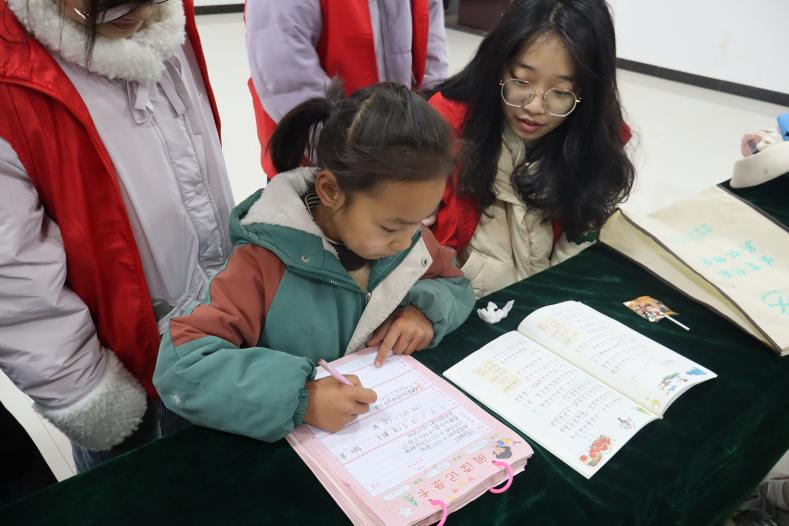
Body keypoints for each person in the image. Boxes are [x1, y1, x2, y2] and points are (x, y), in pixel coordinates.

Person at [154, 82, 475, 439]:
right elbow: (181, 365)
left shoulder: (408, 238)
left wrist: (426, 311)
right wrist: (300, 398)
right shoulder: (263, 263)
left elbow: (455, 284)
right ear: (330, 190)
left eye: (421, 220)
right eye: (391, 226)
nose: (407, 240)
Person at [0, 0, 234, 471]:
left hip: (225, 331)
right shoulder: (14, 77)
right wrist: (86, 391)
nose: (140, 12)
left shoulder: (170, 19)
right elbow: (13, 277)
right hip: (135, 374)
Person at [427, 0, 635, 298]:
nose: (535, 107)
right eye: (522, 81)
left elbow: (579, 245)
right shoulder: (445, 128)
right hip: (457, 304)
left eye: (560, 91)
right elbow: (409, 245)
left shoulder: (595, 139)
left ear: (587, 91)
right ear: (499, 65)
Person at [245, 0, 449, 176]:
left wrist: (426, 133)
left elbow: (432, 57)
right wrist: (352, 155)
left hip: (396, 155)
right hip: (319, 161)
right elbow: (286, 74)